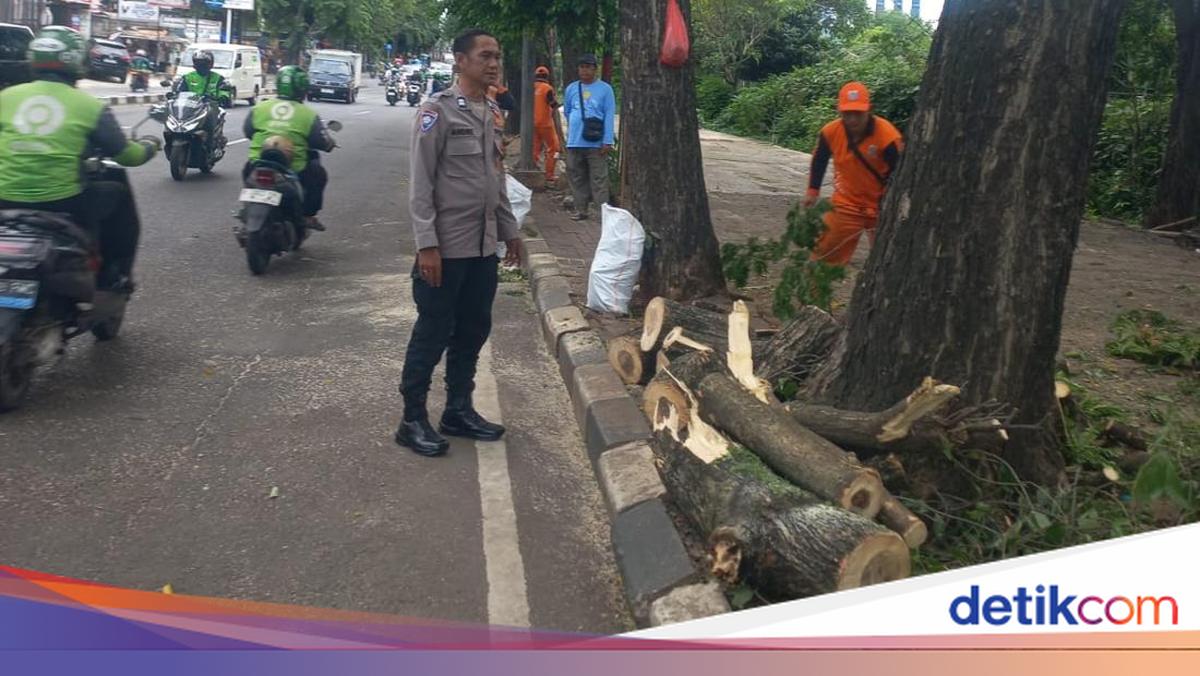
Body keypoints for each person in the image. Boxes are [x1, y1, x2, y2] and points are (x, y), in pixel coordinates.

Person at [395, 28, 523, 457]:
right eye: (485, 55)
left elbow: (496, 179)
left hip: (482, 247)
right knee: (433, 331)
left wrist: (509, 230)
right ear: (460, 60)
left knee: (473, 328)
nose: (494, 63)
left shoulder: (491, 111)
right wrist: (426, 245)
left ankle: (457, 409)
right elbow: (421, 183)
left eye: (497, 55)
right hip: (446, 248)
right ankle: (412, 419)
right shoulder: (436, 111)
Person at [0, 29, 159, 288]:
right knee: (118, 196)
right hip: (63, 201)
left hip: (4, 198)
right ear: (78, 60)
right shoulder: (90, 106)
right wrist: (150, 145)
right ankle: (113, 275)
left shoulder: (6, 97)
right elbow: (129, 156)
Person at [803, 82, 903, 266]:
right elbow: (819, 160)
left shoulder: (887, 135)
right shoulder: (830, 132)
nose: (853, 119)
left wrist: (892, 203)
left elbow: (900, 171)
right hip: (846, 204)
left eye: (858, 113)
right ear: (839, 111)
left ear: (869, 110)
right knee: (823, 259)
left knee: (889, 262)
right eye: (847, 114)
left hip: (881, 207)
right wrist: (813, 190)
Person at [243, 65, 335, 231]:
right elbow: (320, 141)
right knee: (318, 173)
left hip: (257, 163)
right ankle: (308, 216)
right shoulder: (308, 115)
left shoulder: (259, 108)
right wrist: (329, 144)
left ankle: (247, 207)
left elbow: (248, 132)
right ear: (302, 88)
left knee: (247, 170)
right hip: (293, 168)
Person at [562, 53, 615, 221]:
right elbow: (568, 111)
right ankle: (581, 210)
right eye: (582, 67)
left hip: (596, 142)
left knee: (599, 178)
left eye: (589, 67)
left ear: (595, 69)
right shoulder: (571, 89)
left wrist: (607, 140)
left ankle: (603, 213)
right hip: (575, 141)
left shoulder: (605, 89)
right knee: (577, 177)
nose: (585, 71)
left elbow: (609, 114)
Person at [531, 65, 565, 183]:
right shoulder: (547, 88)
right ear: (547, 77)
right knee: (554, 148)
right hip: (545, 123)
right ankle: (549, 174)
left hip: (533, 123)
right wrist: (561, 104)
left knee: (535, 148)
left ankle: (533, 171)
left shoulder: (531, 87)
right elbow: (552, 104)